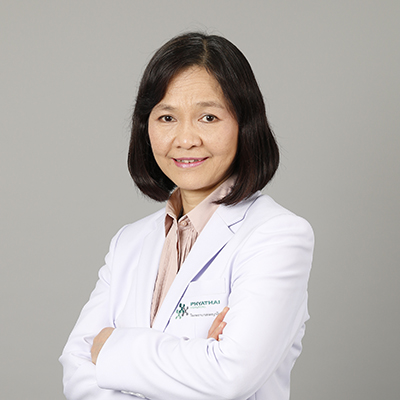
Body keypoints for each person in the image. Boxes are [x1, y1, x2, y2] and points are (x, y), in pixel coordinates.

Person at [60, 32, 314, 400]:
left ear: (244, 124)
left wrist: (111, 347)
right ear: (145, 127)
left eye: (208, 117)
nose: (185, 139)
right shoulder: (129, 242)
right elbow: (77, 368)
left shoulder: (278, 235)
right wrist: (198, 356)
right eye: (167, 117)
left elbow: (229, 376)